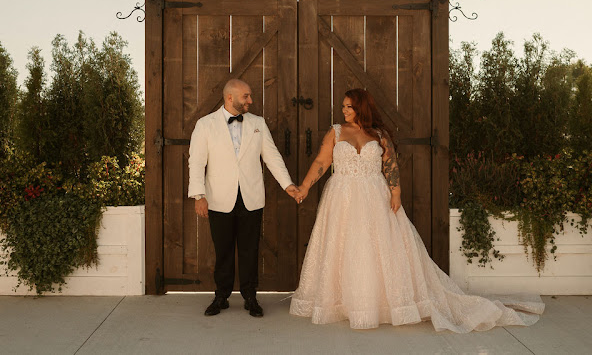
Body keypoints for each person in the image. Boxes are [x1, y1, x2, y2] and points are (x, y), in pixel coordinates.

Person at [290, 88, 544, 332]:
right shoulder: (336, 132)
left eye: (349, 107)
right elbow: (322, 162)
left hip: (375, 196)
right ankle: (345, 303)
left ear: (361, 108)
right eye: (343, 106)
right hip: (342, 197)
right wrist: (304, 187)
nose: (344, 110)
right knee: (344, 246)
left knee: (376, 246)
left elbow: (390, 165)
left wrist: (396, 193)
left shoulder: (379, 135)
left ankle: (376, 304)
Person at [188, 79, 299, 318]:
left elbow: (271, 156)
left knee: (250, 249)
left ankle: (251, 297)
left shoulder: (258, 123)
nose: (250, 100)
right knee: (223, 250)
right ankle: (221, 296)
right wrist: (199, 195)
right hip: (218, 198)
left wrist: (288, 184)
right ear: (230, 97)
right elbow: (196, 162)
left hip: (251, 197)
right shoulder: (205, 124)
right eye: (246, 96)